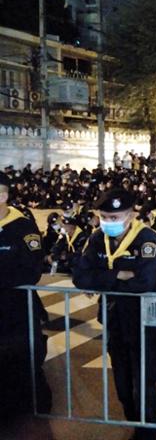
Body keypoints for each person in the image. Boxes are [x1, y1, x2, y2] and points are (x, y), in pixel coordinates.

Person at [72, 188, 156, 440]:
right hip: (114, 319)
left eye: (115, 217)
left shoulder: (147, 239)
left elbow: (144, 282)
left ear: (131, 214)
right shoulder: (96, 238)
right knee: (123, 383)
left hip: (144, 320)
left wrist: (100, 280)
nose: (108, 222)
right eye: (104, 216)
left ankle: (148, 431)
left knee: (144, 381)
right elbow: (80, 277)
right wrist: (118, 275)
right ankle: (136, 423)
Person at [0, 172, 51, 432]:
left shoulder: (23, 227)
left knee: (22, 357)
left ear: (4, 195)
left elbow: (32, 268)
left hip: (16, 306)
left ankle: (29, 406)